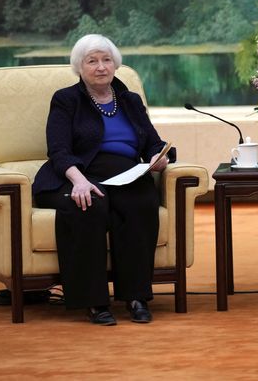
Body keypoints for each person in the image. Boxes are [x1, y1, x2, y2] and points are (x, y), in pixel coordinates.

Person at [32, 34, 173, 325]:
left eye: (106, 60)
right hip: (80, 173)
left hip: (125, 174)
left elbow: (153, 143)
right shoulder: (66, 100)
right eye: (92, 61)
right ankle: (94, 302)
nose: (100, 67)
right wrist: (79, 181)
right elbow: (58, 150)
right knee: (89, 206)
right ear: (79, 67)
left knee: (141, 202)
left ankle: (136, 297)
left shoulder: (131, 101)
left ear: (115, 64)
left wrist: (160, 159)